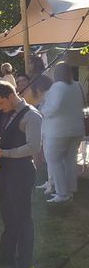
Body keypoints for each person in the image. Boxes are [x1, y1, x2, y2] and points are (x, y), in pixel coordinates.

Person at [0, 81, 41, 268]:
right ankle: (6, 256)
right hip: (6, 171)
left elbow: (33, 147)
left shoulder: (32, 116)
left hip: (22, 172)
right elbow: (7, 135)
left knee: (23, 217)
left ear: (11, 96)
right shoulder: (9, 113)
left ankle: (24, 260)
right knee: (8, 215)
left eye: (1, 103)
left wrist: (4, 153)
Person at [40, 62, 84, 203]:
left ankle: (61, 193)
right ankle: (70, 189)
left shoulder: (57, 86)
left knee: (54, 160)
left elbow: (53, 108)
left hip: (58, 131)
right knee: (70, 160)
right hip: (76, 129)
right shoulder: (78, 85)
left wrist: (42, 110)